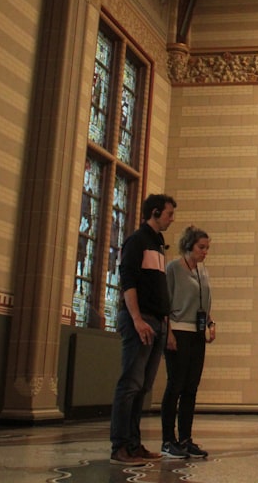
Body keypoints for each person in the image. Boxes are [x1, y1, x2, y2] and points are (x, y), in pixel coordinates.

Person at [110, 194, 176, 465]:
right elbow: (129, 282)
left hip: (157, 321)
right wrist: (137, 320)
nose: (172, 219)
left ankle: (135, 445)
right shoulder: (137, 241)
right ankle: (120, 447)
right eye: (169, 214)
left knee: (142, 387)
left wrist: (165, 325)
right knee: (130, 385)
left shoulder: (158, 245)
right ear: (156, 212)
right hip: (141, 320)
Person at [160, 226, 215, 459]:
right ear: (189, 246)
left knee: (191, 388)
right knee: (176, 385)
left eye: (207, 248)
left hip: (197, 333)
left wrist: (211, 324)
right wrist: (168, 333)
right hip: (178, 331)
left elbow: (205, 303)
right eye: (201, 247)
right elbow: (165, 302)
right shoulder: (173, 268)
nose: (205, 252)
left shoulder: (202, 272)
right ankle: (167, 440)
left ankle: (185, 438)